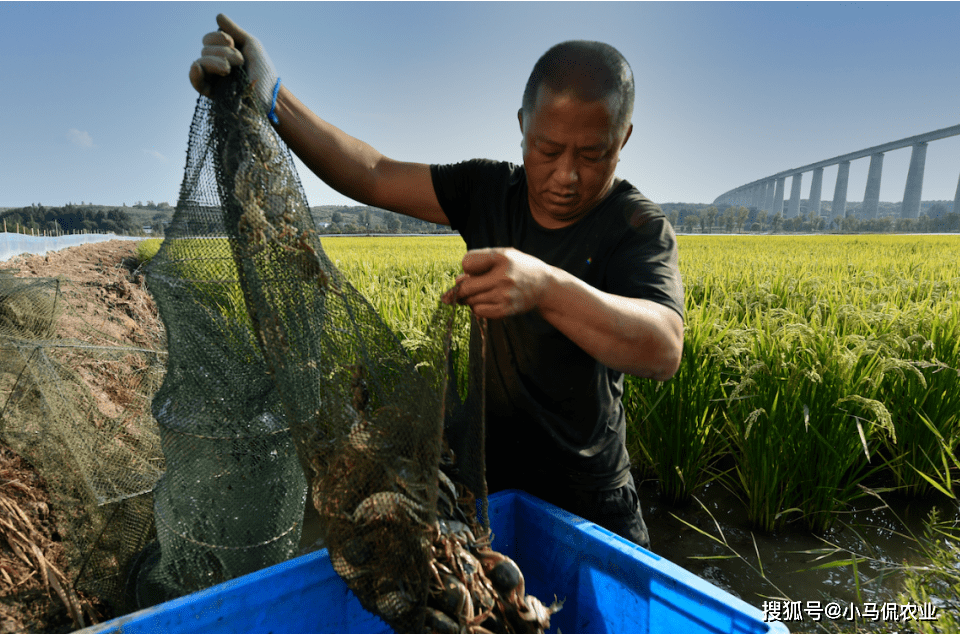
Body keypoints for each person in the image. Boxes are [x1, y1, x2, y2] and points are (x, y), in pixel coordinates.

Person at [191, 14, 684, 550]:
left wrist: (544, 286)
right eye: (547, 150)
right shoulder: (488, 191)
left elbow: (661, 348)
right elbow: (373, 172)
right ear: (522, 125)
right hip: (485, 486)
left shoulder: (636, 227)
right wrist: (270, 94)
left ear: (624, 137)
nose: (566, 175)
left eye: (593, 155)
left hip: (590, 501)